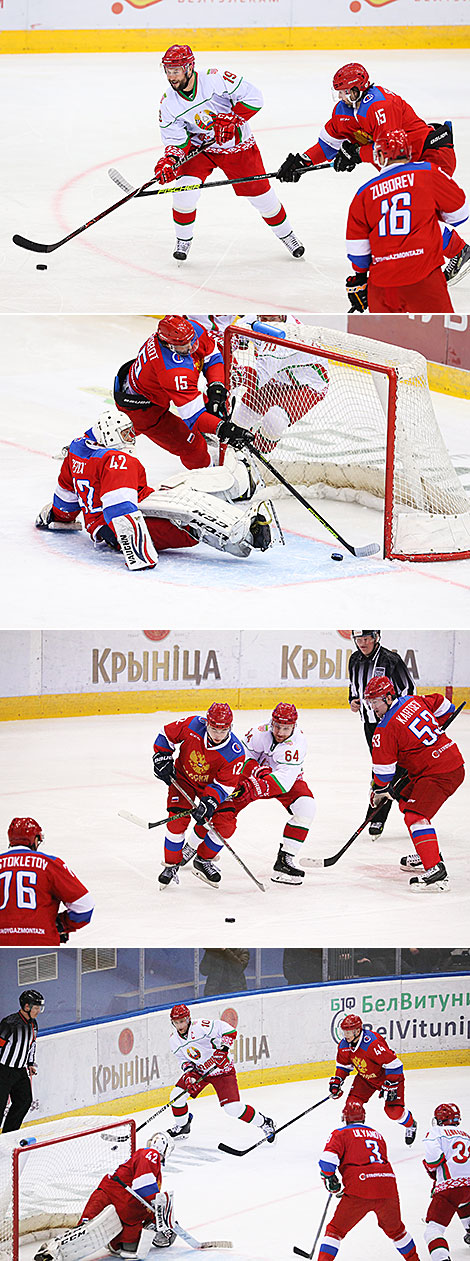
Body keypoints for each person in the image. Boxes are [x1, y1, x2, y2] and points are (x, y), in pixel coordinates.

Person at [277, 61, 470, 286]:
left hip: (429, 157)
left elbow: (391, 148)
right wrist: (303, 161)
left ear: (358, 88)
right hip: (405, 166)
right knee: (404, 214)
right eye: (338, 92)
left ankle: (460, 252)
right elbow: (329, 145)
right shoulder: (343, 111)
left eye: (344, 91)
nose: (340, 97)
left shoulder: (380, 105)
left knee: (414, 214)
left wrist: (357, 154)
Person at [36, 406, 275, 571]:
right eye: (125, 434)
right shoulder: (119, 462)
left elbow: (66, 498)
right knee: (187, 523)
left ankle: (237, 499)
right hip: (119, 528)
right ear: (109, 434)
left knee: (183, 486)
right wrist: (139, 554)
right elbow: (119, 511)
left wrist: (56, 517)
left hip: (120, 515)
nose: (131, 438)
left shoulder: (77, 450)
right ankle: (244, 536)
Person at [156, 45, 304, 262]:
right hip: (200, 150)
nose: (171, 76)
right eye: (168, 71)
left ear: (189, 68)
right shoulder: (168, 102)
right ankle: (183, 240)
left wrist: (233, 118)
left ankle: (287, 235)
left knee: (263, 198)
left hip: (236, 147)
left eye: (176, 71)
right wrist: (170, 160)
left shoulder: (215, 79)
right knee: (183, 192)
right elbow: (177, 140)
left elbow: (254, 98)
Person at [344, 129, 469, 313]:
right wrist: (428, 212)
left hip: (382, 287)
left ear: (378, 154)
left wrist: (360, 279)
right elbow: (460, 214)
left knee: (385, 340)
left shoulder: (363, 193)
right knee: (441, 334)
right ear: (408, 151)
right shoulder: (427, 172)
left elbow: (357, 251)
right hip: (425, 279)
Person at [364, 676, 465, 890]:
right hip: (449, 762)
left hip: (439, 773)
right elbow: (445, 705)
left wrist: (379, 792)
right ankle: (426, 851)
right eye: (370, 703)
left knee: (415, 815)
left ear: (389, 697)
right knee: (403, 799)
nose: (373, 708)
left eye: (375, 702)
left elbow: (383, 774)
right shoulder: (413, 700)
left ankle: (435, 870)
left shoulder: (385, 729)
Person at [205, 702, 316, 886]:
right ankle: (199, 850)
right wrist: (255, 773)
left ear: (294, 726)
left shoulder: (297, 744)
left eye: (286, 728)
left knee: (306, 808)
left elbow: (283, 782)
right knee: (220, 808)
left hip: (280, 783)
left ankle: (284, 861)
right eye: (277, 726)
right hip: (251, 776)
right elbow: (242, 757)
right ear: (272, 722)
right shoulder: (259, 732)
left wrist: (254, 788)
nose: (280, 732)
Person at [34, 1133, 175, 1260]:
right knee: (86, 1231)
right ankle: (51, 1251)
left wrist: (155, 1215)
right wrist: (160, 1209)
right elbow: (143, 1187)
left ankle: (52, 1252)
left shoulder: (148, 1161)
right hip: (113, 1196)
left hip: (120, 1202)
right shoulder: (151, 1154)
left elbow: (144, 1194)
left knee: (125, 1249)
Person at [152, 702, 246, 888]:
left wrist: (210, 801)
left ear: (230, 727)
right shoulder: (192, 725)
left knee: (226, 825)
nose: (218, 735)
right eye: (214, 729)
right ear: (207, 723)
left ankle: (203, 861)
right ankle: (171, 864)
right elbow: (166, 734)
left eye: (223, 730)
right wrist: (162, 756)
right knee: (176, 821)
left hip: (211, 786)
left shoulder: (235, 752)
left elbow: (225, 784)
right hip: (184, 780)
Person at [316, 1096, 422, 1261]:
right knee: (397, 1231)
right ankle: (414, 1259)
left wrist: (330, 1178)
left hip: (360, 1188)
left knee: (335, 1231)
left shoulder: (340, 1134)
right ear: (363, 1117)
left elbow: (327, 1161)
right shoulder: (378, 1135)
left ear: (344, 1118)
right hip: (388, 1186)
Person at [166, 1004, 275, 1142]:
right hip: (199, 1071)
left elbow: (229, 1031)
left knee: (233, 1109)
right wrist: (188, 1075)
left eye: (182, 1021)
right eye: (176, 1022)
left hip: (222, 1070)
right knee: (176, 1096)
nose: (179, 1026)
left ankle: (265, 1122)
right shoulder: (173, 1040)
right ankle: (183, 1126)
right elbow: (183, 1060)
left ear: (188, 1019)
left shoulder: (201, 1026)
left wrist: (223, 1050)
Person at [348, 630, 415, 838]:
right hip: (370, 724)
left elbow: (408, 690)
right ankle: (380, 814)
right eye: (359, 639)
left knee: (399, 768)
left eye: (366, 639)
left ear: (376, 638)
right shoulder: (354, 659)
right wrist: (353, 700)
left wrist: (399, 719)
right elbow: (354, 686)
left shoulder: (390, 660)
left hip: (393, 726)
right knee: (383, 768)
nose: (362, 643)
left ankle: (379, 815)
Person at [0, 818, 94, 947]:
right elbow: (84, 906)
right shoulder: (50, 864)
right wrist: (61, 924)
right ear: (35, 840)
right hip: (41, 944)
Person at [329, 1013, 417, 1145]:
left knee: (394, 1112)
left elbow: (395, 1064)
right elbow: (344, 1066)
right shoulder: (344, 1045)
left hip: (387, 1078)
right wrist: (337, 1081)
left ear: (358, 1030)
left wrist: (390, 1083)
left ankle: (411, 1124)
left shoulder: (372, 1043)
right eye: (344, 1032)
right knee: (351, 1106)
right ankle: (353, 1140)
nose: (346, 1035)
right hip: (365, 1079)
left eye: (349, 1032)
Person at [422, 1103, 470, 1261]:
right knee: (464, 1202)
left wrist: (430, 1169)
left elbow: (434, 1159)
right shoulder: (466, 1135)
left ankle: (441, 1258)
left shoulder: (435, 1132)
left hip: (450, 1188)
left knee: (433, 1230)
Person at [0, 990, 44, 1133]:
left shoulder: (34, 1024)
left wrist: (30, 1063)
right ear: (27, 1007)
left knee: (24, 1101)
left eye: (39, 1008)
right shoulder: (9, 1023)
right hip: (3, 1070)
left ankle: (8, 1134)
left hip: (20, 1071)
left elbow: (32, 1044)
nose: (38, 1011)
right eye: (36, 1008)